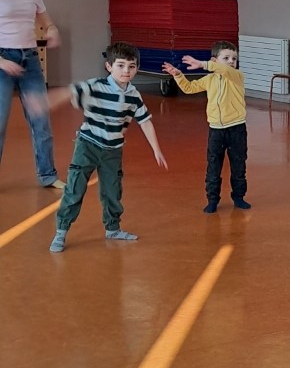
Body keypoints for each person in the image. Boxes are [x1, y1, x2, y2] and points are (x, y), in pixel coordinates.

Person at [49, 43, 167, 252]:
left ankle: (112, 228)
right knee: (75, 189)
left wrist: (156, 149)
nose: (126, 71)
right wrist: (48, 101)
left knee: (112, 191)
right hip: (87, 146)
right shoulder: (96, 86)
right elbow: (71, 91)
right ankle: (61, 231)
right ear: (109, 66)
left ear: (137, 68)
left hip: (113, 150)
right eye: (120, 65)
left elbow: (145, 121)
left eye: (131, 66)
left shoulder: (133, 95)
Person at [0, 0, 64, 189]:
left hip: (30, 61)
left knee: (41, 121)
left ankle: (48, 175)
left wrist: (53, 32)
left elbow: (48, 23)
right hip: (2, 60)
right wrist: (2, 62)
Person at [161, 41, 250, 213]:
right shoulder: (209, 80)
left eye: (234, 58)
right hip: (216, 130)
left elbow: (225, 71)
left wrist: (203, 64)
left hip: (237, 129)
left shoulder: (237, 76)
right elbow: (189, 88)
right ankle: (212, 199)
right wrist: (178, 75)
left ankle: (239, 197)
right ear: (214, 60)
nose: (231, 61)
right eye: (226, 58)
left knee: (239, 165)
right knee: (213, 166)